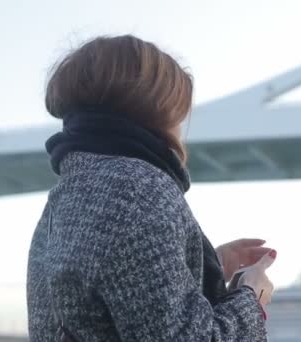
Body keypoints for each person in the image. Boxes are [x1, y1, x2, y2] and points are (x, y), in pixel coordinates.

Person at [27, 35, 276, 342]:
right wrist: (252, 297)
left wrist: (200, 266)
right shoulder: (138, 192)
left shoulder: (65, 197)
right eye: (178, 115)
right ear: (157, 110)